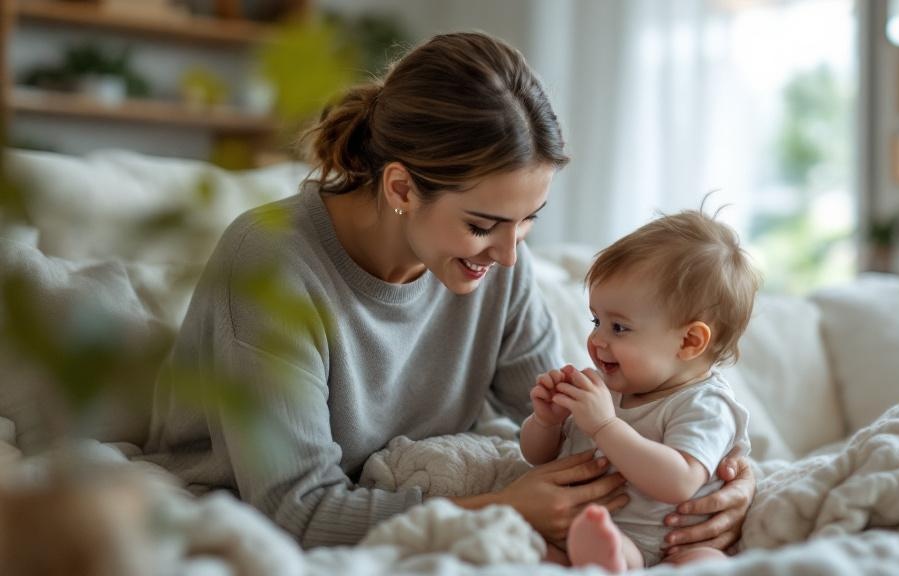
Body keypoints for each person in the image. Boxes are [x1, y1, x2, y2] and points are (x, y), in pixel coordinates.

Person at [140, 31, 755, 556]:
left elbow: (583, 424)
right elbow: (293, 511)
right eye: (484, 225)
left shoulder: (497, 264)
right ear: (402, 188)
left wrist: (724, 478)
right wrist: (501, 509)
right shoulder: (273, 263)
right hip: (246, 516)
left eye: (530, 220)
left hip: (414, 498)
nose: (513, 256)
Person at [521, 208, 760, 571]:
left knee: (706, 563)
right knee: (528, 545)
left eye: (619, 328)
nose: (597, 339)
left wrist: (605, 426)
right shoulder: (604, 388)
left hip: (672, 542)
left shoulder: (706, 405)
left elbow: (679, 481)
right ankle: (604, 557)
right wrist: (547, 423)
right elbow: (537, 458)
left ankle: (611, 558)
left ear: (689, 341)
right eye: (596, 320)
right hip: (588, 529)